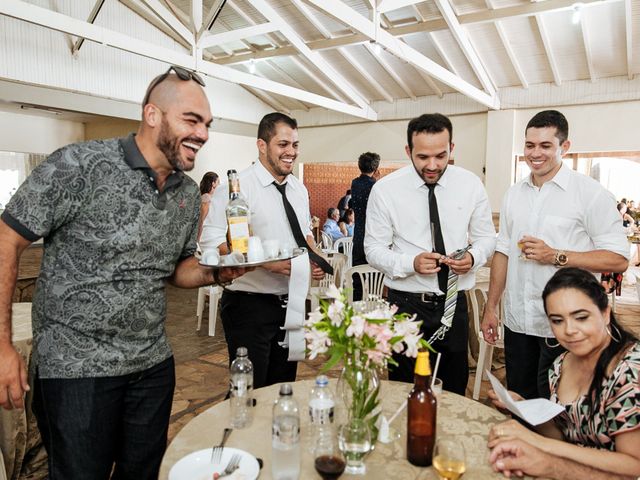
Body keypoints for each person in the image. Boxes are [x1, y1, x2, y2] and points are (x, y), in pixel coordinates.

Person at [0, 66, 248, 479]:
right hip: (75, 369)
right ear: (152, 115)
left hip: (151, 366)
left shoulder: (187, 193)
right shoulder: (78, 165)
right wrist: (3, 345)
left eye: (207, 124)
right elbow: (6, 240)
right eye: (192, 120)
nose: (203, 134)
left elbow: (176, 272)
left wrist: (217, 272)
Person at [481, 110, 629, 400]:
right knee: (520, 402)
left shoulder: (590, 193)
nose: (535, 154)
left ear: (565, 146)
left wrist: (556, 256)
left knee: (558, 408)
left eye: (545, 146)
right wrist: (491, 307)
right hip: (518, 323)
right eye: (529, 145)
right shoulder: (513, 194)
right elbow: (503, 252)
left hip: (564, 326)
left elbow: (618, 258)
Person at [365, 113, 496, 394]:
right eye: (423, 157)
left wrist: (473, 258)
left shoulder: (470, 184)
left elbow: (487, 238)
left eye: (441, 155)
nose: (433, 165)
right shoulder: (385, 190)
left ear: (452, 148)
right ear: (408, 151)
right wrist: (409, 263)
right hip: (405, 307)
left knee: (452, 390)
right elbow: (372, 249)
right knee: (403, 389)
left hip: (454, 304)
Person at [200, 112, 326, 389]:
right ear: (261, 145)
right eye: (283, 144)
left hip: (291, 302)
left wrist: (316, 258)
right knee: (250, 391)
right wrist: (267, 263)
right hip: (249, 305)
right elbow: (212, 243)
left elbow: (304, 233)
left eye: (295, 145)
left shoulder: (298, 189)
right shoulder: (236, 188)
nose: (291, 152)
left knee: (283, 388)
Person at [488, 267, 640, 478]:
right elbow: (562, 437)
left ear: (605, 314)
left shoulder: (629, 371)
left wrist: (538, 444)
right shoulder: (562, 363)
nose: (569, 330)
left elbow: (634, 466)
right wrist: (523, 407)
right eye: (557, 321)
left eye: (581, 317)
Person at [489, 438, 637, 480]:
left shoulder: (627, 374)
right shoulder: (558, 368)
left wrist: (538, 442)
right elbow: (561, 434)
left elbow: (635, 468)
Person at [350, 152, 380, 301]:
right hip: (373, 236)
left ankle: (355, 310)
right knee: (375, 277)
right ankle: (373, 309)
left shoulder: (354, 183)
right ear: (375, 167)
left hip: (358, 234)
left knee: (357, 276)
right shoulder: (376, 186)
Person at [198, 171, 219, 240]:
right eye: (218, 182)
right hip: (206, 235)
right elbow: (201, 220)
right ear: (213, 183)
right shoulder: (206, 197)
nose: (219, 184)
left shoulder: (210, 197)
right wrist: (197, 239)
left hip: (212, 234)